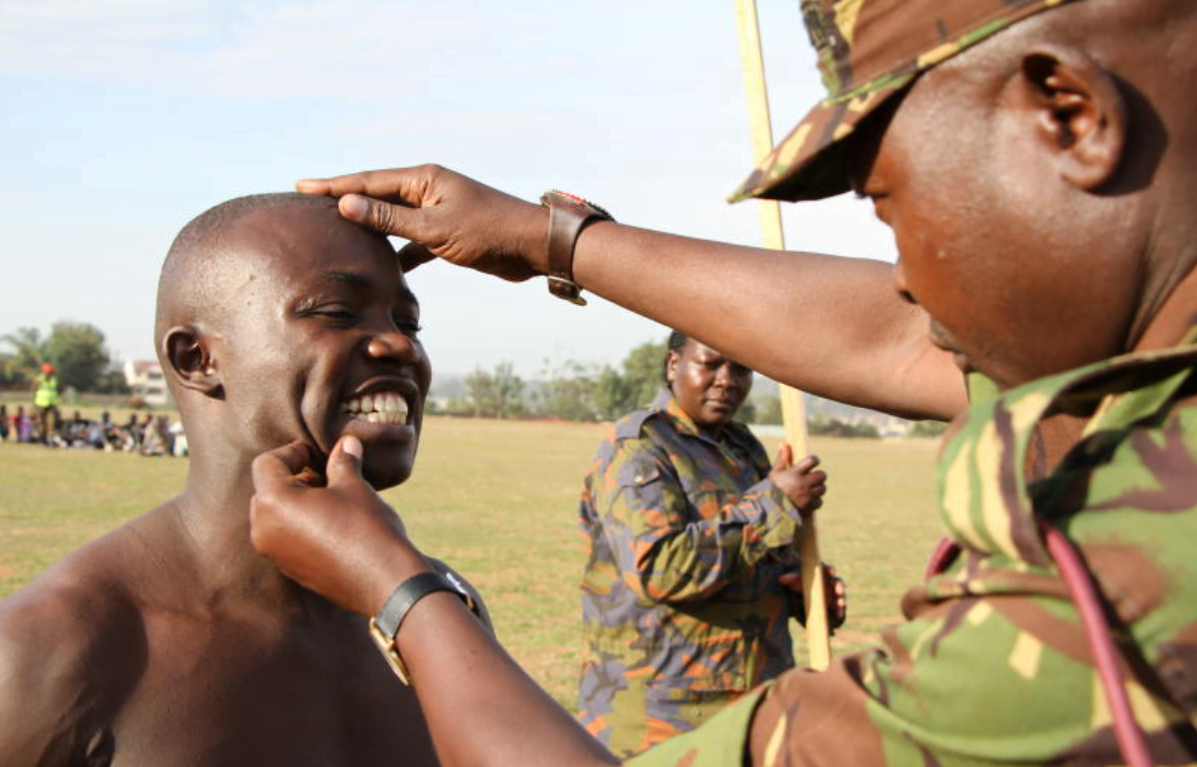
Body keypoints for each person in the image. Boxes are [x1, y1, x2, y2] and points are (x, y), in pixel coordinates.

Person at [249, 0, 1197, 765]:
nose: (904, 272)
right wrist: (555, 239)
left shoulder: (1130, 579)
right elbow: (896, 337)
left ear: (1067, 115)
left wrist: (401, 587)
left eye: (887, 200)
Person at [0, 193, 488, 767]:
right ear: (196, 360)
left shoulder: (438, 608)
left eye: (407, 322)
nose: (400, 345)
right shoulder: (48, 654)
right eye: (336, 312)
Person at [578, 330, 842, 756]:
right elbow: (659, 570)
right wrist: (774, 502)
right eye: (711, 363)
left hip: (755, 706)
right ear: (673, 365)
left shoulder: (743, 448)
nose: (727, 379)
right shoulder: (639, 450)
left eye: (740, 367)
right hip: (664, 719)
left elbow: (758, 557)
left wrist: (803, 591)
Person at [32, 362, 59, 446]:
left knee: (52, 422)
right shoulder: (38, 379)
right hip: (40, 404)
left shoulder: (54, 379)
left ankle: (50, 438)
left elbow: (57, 390)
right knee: (40, 422)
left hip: (51, 404)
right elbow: (34, 390)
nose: (50, 373)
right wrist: (33, 403)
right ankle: (41, 439)